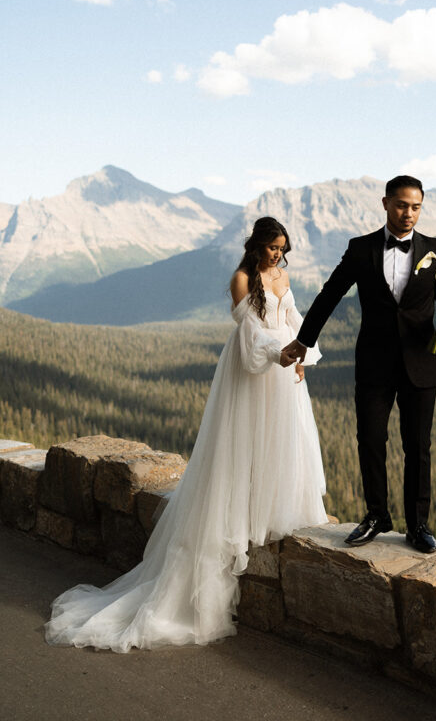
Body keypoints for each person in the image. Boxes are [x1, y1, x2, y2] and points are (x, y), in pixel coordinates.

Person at [44, 217, 327, 651]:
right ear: (255, 246)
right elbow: (252, 336)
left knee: (280, 446)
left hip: (284, 373)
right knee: (240, 446)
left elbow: (292, 318)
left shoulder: (283, 276)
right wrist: (280, 351)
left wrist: (302, 350)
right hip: (252, 372)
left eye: (282, 248)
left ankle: (266, 511)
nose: (277, 254)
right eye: (271, 247)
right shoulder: (241, 279)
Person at [283, 176, 436, 554]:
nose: (408, 214)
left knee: (418, 446)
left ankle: (418, 525)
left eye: (415, 207)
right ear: (385, 203)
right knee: (370, 441)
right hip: (374, 363)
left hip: (421, 364)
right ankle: (377, 515)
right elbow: (329, 294)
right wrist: (303, 340)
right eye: (401, 205)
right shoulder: (360, 249)